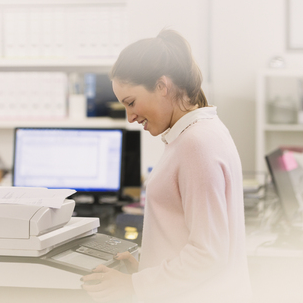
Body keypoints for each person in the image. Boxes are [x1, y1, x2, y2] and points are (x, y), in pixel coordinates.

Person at [81, 29, 252, 303]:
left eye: (131, 102)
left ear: (162, 86)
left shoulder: (196, 143)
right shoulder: (198, 133)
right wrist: (146, 273)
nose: (130, 117)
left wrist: (136, 285)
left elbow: (208, 254)